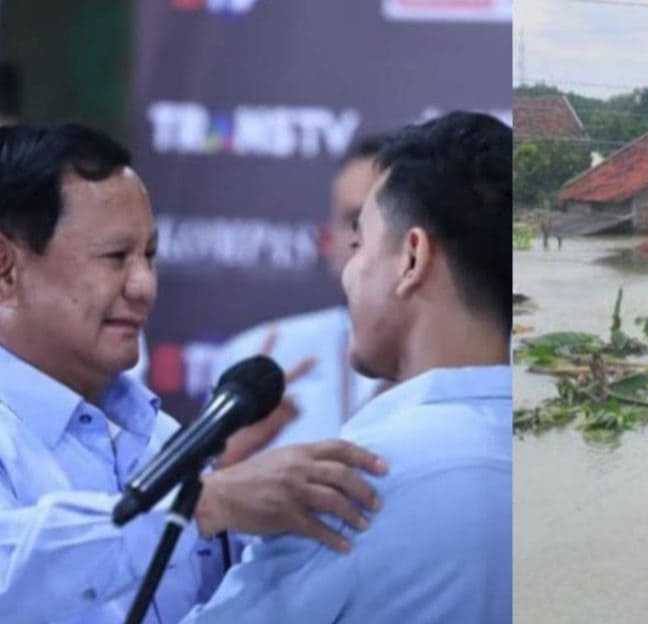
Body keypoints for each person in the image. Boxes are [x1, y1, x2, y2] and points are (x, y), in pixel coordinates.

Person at [0, 123, 386, 624]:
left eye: (150, 256)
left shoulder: (161, 438)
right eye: (115, 258)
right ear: (6, 268)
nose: (144, 286)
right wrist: (204, 505)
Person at [180, 111, 512, 622]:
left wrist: (205, 502)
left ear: (412, 258)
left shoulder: (348, 489)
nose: (349, 273)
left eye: (361, 244)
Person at [213, 136, 388, 448]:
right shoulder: (255, 360)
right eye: (354, 221)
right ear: (327, 241)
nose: (369, 240)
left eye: (388, 219)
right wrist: (224, 461)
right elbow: (202, 477)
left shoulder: (467, 361)